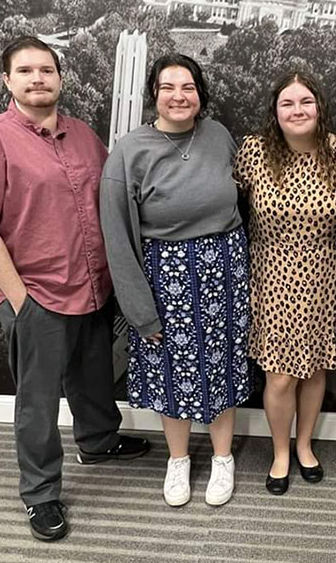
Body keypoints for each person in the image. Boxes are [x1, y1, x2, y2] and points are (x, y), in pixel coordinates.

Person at [0, 36, 150, 542]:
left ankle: (99, 441)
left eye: (46, 70)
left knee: (91, 375)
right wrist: (21, 300)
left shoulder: (85, 135)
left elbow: (112, 199)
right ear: (7, 81)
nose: (37, 79)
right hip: (36, 293)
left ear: (60, 78)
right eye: (25, 71)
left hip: (91, 285)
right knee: (38, 401)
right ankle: (41, 493)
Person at [100, 53, 252, 509]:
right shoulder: (129, 151)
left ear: (200, 94)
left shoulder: (220, 136)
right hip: (166, 278)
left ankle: (224, 458)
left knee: (222, 367)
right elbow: (117, 238)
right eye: (168, 87)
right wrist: (139, 310)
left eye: (187, 87)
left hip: (225, 269)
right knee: (173, 373)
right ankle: (179, 459)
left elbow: (242, 203)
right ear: (154, 95)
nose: (178, 96)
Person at [233, 71, 336, 495]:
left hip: (326, 276)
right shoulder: (254, 152)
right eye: (288, 103)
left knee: (316, 369)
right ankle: (280, 452)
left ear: (319, 107)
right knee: (280, 376)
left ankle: (305, 446)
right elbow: (227, 208)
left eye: (306, 101)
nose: (297, 110)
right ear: (275, 112)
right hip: (271, 276)